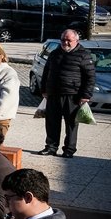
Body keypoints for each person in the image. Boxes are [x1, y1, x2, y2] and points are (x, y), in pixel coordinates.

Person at [36, 28, 95, 158]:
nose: (65, 42)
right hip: (53, 94)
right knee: (52, 122)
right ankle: (51, 147)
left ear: (76, 40)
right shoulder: (54, 53)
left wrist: (86, 95)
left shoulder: (83, 55)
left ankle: (69, 150)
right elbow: (46, 72)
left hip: (73, 95)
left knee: (71, 124)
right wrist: (44, 90)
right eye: (63, 40)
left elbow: (90, 77)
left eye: (69, 40)